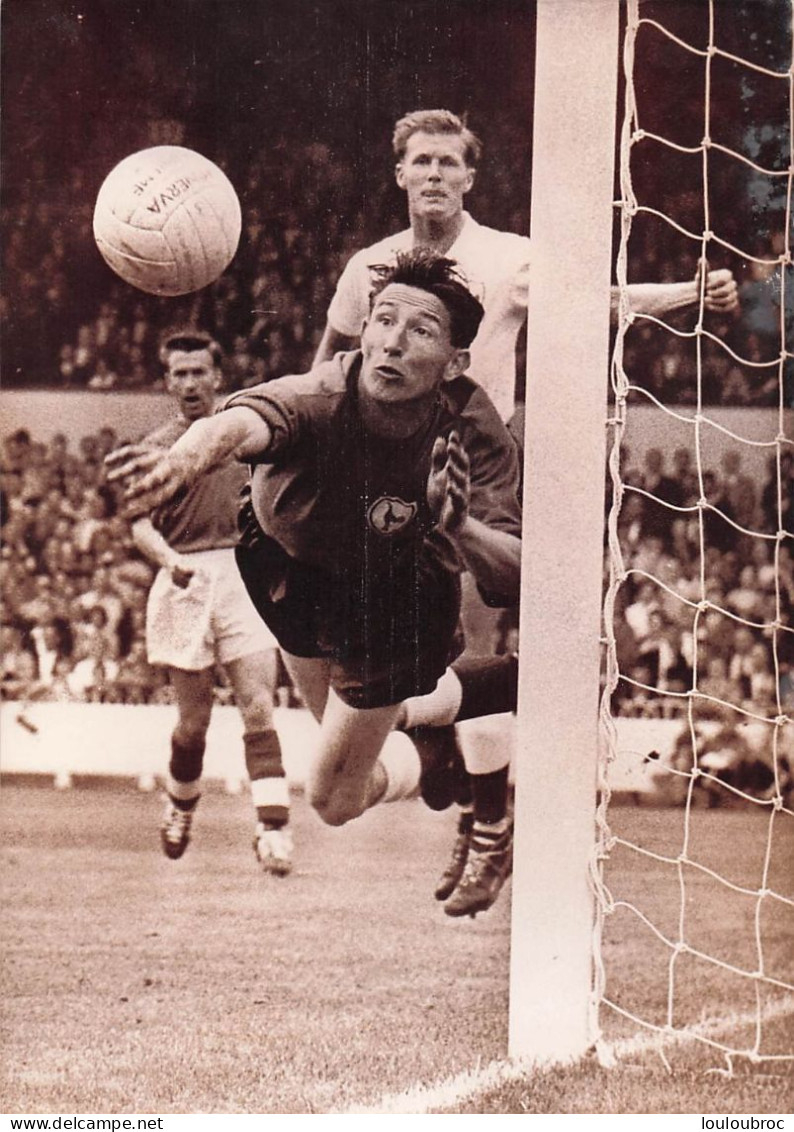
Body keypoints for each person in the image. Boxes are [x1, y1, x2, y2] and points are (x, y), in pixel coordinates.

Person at [108, 251, 522, 914]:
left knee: (333, 799)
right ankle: (448, 715)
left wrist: (465, 528)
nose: (390, 340)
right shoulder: (322, 394)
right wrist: (185, 457)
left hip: (394, 601)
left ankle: (446, 744)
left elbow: (511, 578)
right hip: (284, 566)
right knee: (341, 724)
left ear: (454, 363)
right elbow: (240, 423)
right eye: (383, 319)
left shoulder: (472, 432)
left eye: (419, 330)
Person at [127, 330, 292, 875]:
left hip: (243, 575)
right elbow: (139, 528)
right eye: (180, 373)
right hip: (185, 576)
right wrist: (169, 560)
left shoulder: (242, 438)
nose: (191, 382)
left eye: (200, 371)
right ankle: (180, 805)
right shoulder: (154, 449)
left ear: (217, 377)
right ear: (167, 381)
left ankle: (272, 830)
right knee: (192, 724)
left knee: (257, 704)